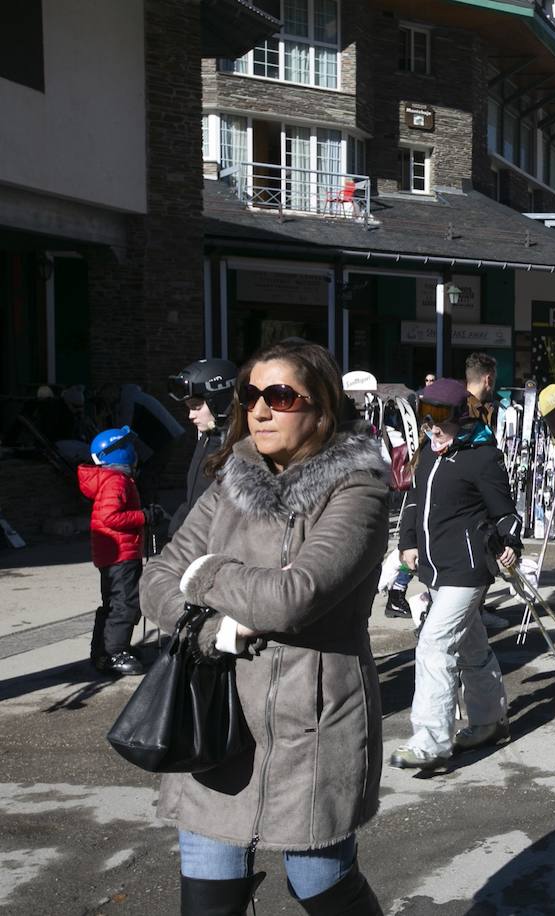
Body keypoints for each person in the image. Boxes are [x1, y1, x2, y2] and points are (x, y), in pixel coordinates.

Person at [139, 339, 390, 913]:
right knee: (208, 895)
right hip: (215, 714)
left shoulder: (359, 489)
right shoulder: (230, 477)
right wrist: (214, 633)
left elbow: (292, 598)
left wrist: (206, 572)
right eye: (250, 394)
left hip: (314, 723)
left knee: (323, 887)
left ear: (321, 408)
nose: (259, 410)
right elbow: (155, 579)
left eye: (280, 396)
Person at [390, 377, 522, 771]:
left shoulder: (481, 456)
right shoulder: (428, 454)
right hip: (434, 567)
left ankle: (430, 740)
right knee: (471, 647)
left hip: (468, 569)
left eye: (439, 417)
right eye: (425, 415)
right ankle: (489, 721)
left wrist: (510, 541)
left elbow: (507, 513)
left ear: (459, 415)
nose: (432, 425)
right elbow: (414, 501)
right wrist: (407, 541)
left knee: (434, 644)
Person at [79, 427, 163, 676]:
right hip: (120, 555)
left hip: (116, 553)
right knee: (125, 603)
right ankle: (114, 652)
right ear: (118, 452)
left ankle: (104, 651)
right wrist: (144, 517)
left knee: (114, 602)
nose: (135, 452)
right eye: (129, 447)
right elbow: (110, 516)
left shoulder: (114, 479)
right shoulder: (115, 480)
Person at [166, 358, 238, 536]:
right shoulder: (208, 437)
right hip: (193, 538)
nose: (190, 415)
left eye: (196, 407)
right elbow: (195, 496)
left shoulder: (237, 445)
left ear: (219, 401)